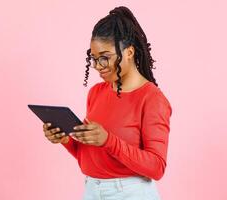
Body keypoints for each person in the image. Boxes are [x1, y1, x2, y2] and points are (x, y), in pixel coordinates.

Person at [43, 6, 172, 200]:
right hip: (92, 190)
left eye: (105, 58)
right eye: (94, 59)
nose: (97, 66)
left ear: (129, 52)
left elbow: (156, 167)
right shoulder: (96, 92)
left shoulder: (152, 99)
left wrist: (108, 140)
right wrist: (66, 140)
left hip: (131, 194)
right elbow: (90, 159)